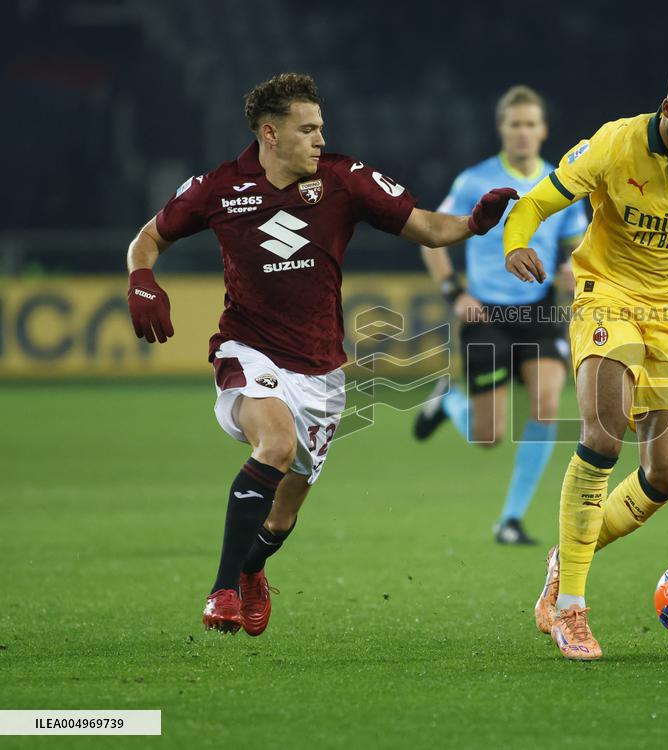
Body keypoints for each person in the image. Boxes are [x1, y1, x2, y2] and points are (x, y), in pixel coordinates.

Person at [125, 73, 516, 635]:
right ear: (270, 133)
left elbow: (428, 227)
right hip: (247, 350)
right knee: (275, 443)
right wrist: (142, 279)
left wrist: (475, 224)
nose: (318, 138)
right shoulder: (218, 189)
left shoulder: (344, 179)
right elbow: (148, 238)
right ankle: (222, 591)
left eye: (320, 128)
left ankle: (252, 569)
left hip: (322, 372)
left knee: (282, 516)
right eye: (307, 129)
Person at [503, 65, 668, 660]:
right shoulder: (611, 145)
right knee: (603, 430)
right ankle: (570, 607)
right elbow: (535, 203)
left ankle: (567, 554)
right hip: (610, 297)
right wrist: (514, 241)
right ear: (666, 111)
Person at [413, 85, 588, 545]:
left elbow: (579, 244)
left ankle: (510, 520)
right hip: (485, 314)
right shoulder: (475, 181)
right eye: (516, 124)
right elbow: (430, 235)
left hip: (540, 309)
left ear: (544, 130)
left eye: (531, 124)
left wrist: (573, 266)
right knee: (488, 435)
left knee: (547, 405)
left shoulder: (562, 182)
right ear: (502, 130)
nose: (524, 132)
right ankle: (447, 401)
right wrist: (455, 292)